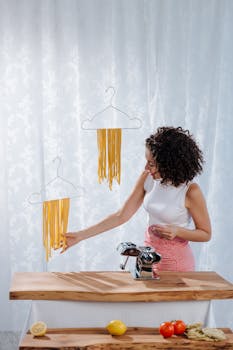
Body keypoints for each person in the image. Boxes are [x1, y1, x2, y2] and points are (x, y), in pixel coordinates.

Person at [62, 126, 211, 271]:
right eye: (147, 161)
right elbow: (121, 216)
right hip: (147, 259)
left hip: (177, 264)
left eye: (152, 164)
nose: (146, 167)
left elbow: (205, 233)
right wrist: (80, 236)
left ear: (170, 164)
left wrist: (177, 231)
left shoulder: (190, 191)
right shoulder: (148, 178)